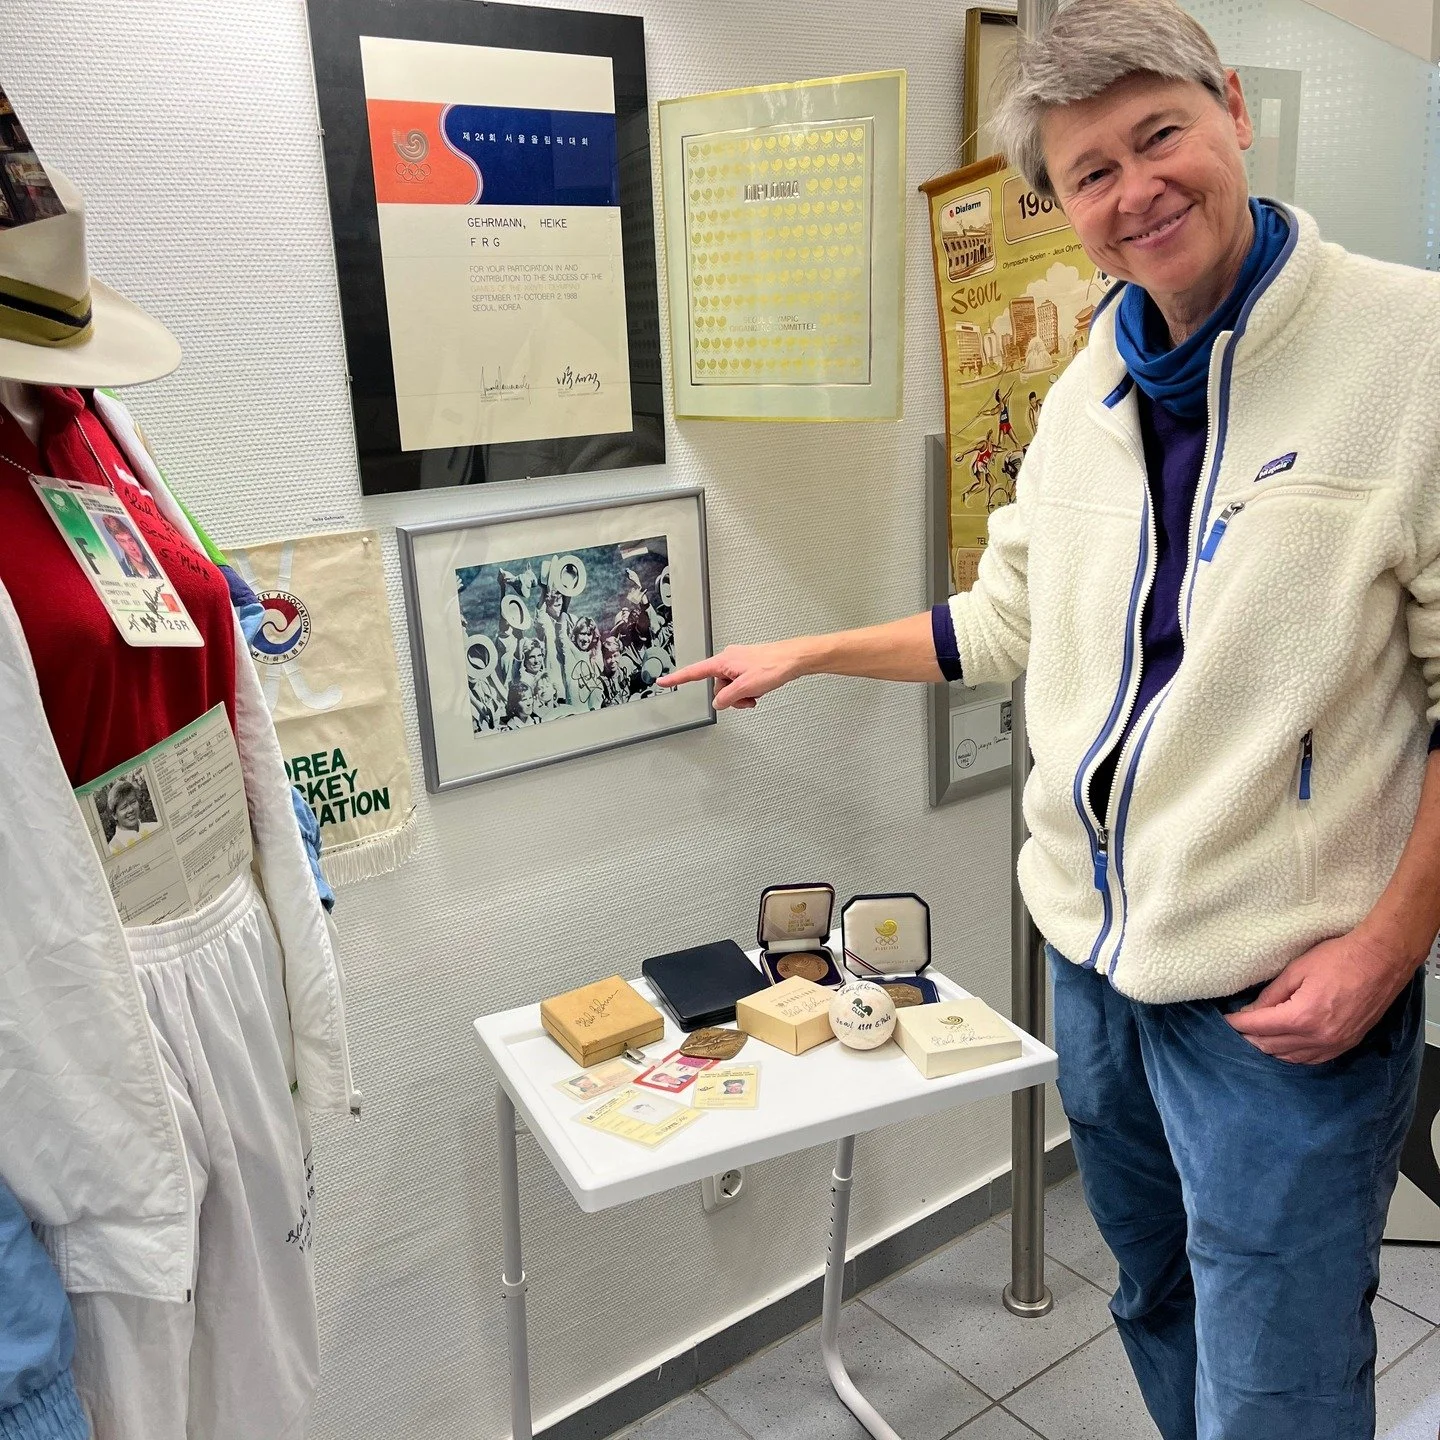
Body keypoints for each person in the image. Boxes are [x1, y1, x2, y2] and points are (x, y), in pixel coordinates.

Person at [662, 2, 1440, 1434]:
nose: (1136, 190)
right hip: (1093, 968)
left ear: (1232, 111)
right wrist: (807, 648)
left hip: (1285, 994)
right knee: (1154, 1297)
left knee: (1276, 1374)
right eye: (1092, 171)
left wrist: (1390, 946)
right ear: (1065, 207)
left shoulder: (1413, 348)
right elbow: (1002, 622)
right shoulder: (1089, 385)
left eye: (1160, 135)